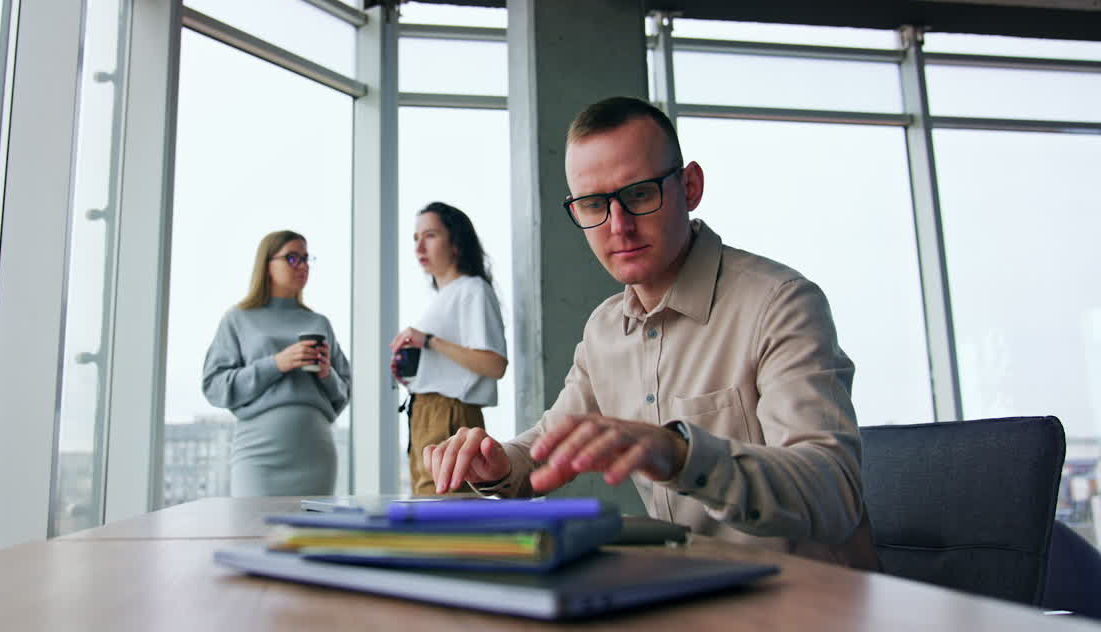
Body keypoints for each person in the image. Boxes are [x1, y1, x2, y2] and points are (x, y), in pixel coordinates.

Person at [423, 97, 878, 569]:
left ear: (690, 186)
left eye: (639, 194)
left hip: (811, 600)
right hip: (694, 591)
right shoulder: (604, 329)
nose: (618, 226)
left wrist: (683, 455)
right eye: (594, 203)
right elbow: (549, 441)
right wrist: (497, 462)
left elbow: (834, 492)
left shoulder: (780, 303)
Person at [203, 230, 351, 496]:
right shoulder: (238, 319)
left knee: (312, 536)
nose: (303, 266)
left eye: (306, 259)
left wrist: (327, 374)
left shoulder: (319, 323)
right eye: (292, 258)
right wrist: (277, 364)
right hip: (259, 454)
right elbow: (214, 385)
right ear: (267, 265)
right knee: (253, 534)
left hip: (316, 453)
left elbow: (344, 394)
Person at [391, 202, 509, 496]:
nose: (420, 246)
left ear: (456, 242)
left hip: (449, 414)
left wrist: (429, 341)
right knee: (429, 504)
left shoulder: (472, 289)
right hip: (425, 413)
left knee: (443, 510)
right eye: (416, 238)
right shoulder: (443, 297)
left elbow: (495, 364)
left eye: (430, 235)